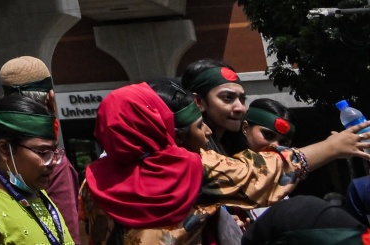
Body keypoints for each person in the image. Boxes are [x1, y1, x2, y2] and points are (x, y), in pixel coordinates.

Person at [78, 80, 370, 245]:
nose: (206, 131)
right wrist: (333, 147)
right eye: (197, 125)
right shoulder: (185, 169)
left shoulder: (92, 182)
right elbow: (262, 175)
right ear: (167, 131)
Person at [0, 92, 69, 245]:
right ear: (4, 149)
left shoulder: (39, 193)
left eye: (54, 152)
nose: (53, 162)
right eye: (42, 152)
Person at [0, 56, 82, 243]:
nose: (47, 158)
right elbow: (68, 232)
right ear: (51, 100)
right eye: (42, 152)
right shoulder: (55, 163)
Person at [177, 59, 248, 156]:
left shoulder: (239, 150)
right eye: (228, 97)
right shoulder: (191, 157)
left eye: (242, 98)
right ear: (198, 101)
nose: (240, 108)